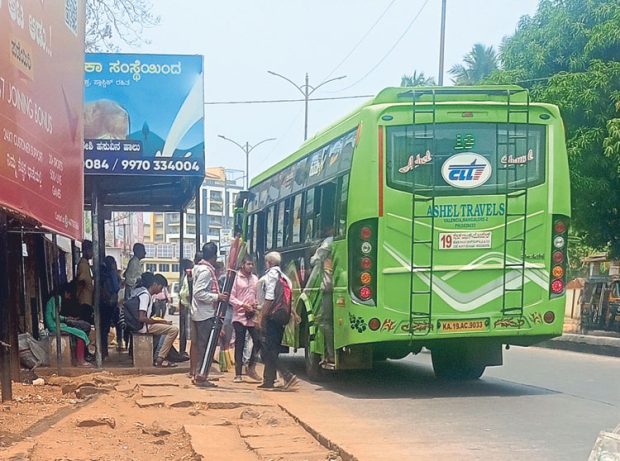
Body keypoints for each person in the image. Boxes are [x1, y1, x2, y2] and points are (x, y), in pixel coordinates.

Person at [258, 251, 298, 390]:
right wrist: (294, 314)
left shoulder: (271, 276)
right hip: (282, 317)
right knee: (273, 349)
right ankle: (269, 380)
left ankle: (287, 375)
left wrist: (261, 317)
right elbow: (287, 299)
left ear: (269, 263)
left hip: (272, 317)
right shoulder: (285, 278)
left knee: (268, 350)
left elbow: (269, 299)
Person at [191, 242, 229, 384]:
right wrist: (216, 297)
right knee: (204, 347)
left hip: (201, 312)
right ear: (214, 256)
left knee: (203, 346)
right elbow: (198, 293)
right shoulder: (206, 271)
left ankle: (200, 374)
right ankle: (201, 376)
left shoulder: (198, 268)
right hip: (205, 314)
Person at [134, 272, 179, 367]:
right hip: (143, 327)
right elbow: (142, 318)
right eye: (160, 287)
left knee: (166, 328)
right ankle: (160, 358)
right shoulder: (145, 296)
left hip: (144, 325)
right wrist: (158, 321)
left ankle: (159, 356)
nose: (161, 290)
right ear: (154, 284)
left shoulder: (143, 293)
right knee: (174, 330)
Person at [45, 282, 92, 368]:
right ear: (66, 293)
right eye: (69, 295)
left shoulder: (52, 299)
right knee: (81, 334)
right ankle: (80, 361)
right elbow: (55, 316)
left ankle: (77, 358)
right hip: (54, 326)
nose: (69, 297)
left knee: (77, 332)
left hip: (53, 324)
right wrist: (66, 319)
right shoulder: (57, 298)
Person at [230, 255, 261, 383]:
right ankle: (238, 373)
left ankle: (251, 367)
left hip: (252, 316)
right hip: (239, 316)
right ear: (242, 264)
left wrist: (255, 305)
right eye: (248, 264)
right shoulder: (236, 278)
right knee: (240, 343)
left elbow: (259, 295)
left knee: (258, 341)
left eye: (252, 264)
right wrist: (243, 305)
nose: (250, 266)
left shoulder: (255, 279)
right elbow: (231, 297)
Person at [310, 225, 335, 364]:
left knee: (326, 322)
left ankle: (330, 354)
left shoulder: (329, 242)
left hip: (328, 288)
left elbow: (315, 260)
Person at [99, 256, 121, 359]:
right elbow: (116, 288)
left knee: (105, 328)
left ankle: (104, 351)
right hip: (109, 303)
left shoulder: (104, 275)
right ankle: (104, 351)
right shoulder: (111, 274)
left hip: (108, 303)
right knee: (107, 328)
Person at [76, 240, 94, 324]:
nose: (92, 253)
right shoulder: (83, 264)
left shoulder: (86, 264)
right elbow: (81, 281)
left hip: (88, 300)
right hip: (84, 300)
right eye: (91, 250)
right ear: (86, 251)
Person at [178, 258, 194, 355]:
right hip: (185, 305)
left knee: (188, 331)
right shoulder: (184, 277)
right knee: (185, 330)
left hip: (188, 305)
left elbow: (187, 293)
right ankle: (183, 350)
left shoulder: (189, 276)